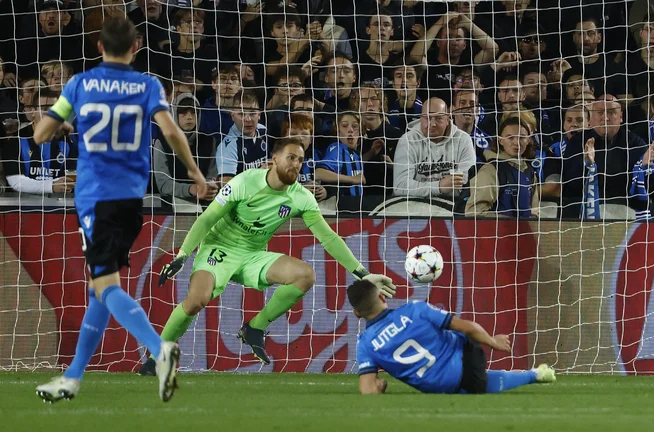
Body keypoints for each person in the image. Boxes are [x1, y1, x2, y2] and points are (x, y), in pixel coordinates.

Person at [32, 17, 207, 404]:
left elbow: (40, 134)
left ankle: (160, 349)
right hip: (132, 200)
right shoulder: (147, 85)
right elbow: (172, 131)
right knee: (99, 289)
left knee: (105, 287)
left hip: (96, 199)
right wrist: (194, 172)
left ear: (98, 46)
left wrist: (61, 126)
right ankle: (73, 378)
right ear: (136, 47)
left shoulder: (80, 85)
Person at [137, 138, 396, 374]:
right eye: (291, 158)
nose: (297, 164)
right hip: (219, 248)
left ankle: (255, 327)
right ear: (274, 159)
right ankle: (156, 357)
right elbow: (207, 218)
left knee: (305, 276)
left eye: (301, 160)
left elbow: (328, 237)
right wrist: (183, 254)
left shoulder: (301, 197)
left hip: (252, 255)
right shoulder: (244, 181)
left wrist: (363, 274)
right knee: (196, 300)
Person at [347, 279, 556, 394]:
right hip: (468, 358)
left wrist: (380, 386)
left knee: (472, 387)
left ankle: (534, 375)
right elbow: (465, 326)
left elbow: (368, 390)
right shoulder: (414, 310)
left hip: (439, 385)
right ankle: (535, 374)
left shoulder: (364, 344)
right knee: (473, 380)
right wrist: (492, 341)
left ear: (357, 313)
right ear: (383, 297)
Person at [393, 98, 476, 199]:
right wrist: (439, 186)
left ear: (448, 119)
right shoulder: (408, 140)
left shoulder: (463, 140)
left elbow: (465, 185)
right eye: (427, 118)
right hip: (412, 206)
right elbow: (400, 187)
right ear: (420, 118)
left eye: (438, 118)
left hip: (452, 206)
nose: (432, 124)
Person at [2, 88, 76, 195]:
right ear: (32, 111)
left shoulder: (67, 141)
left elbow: (71, 177)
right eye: (45, 108)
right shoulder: (15, 140)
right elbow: (16, 182)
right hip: (23, 204)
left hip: (59, 204)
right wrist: (50, 186)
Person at [464, 118, 540, 218]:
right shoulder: (491, 170)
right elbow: (473, 213)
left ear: (529, 140)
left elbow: (534, 212)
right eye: (510, 137)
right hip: (496, 232)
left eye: (521, 137)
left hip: (524, 232)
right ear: (500, 140)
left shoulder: (528, 171)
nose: (516, 142)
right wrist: (510, 223)